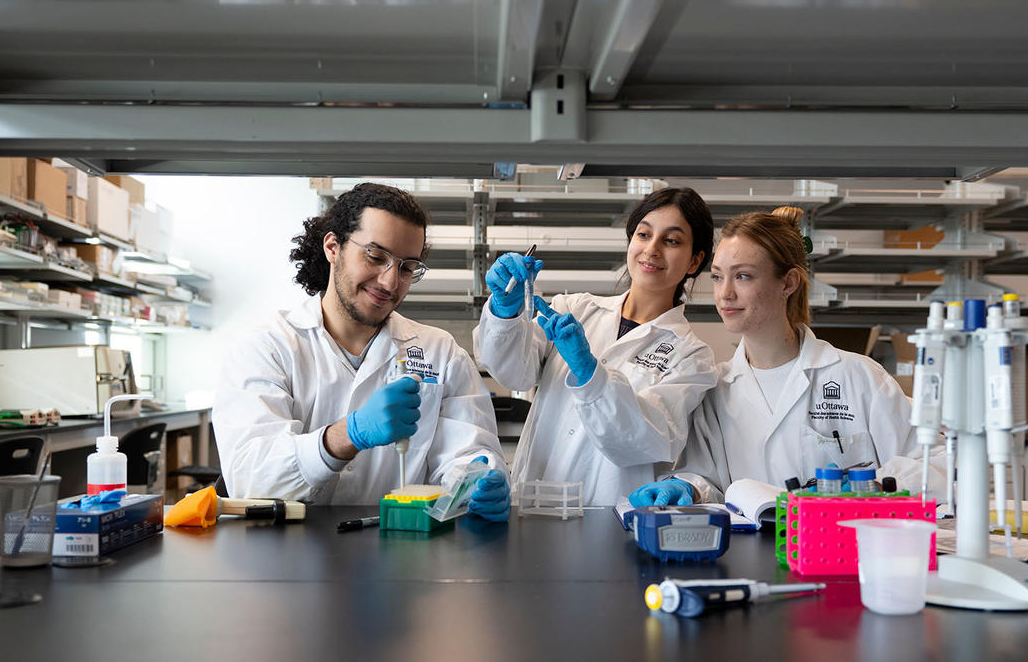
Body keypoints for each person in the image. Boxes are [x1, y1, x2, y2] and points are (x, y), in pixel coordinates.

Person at [214, 183, 509, 519]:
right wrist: (345, 436)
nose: (389, 282)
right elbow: (249, 481)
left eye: (407, 267)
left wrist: (475, 482)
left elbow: (468, 452)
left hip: (401, 556)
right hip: (289, 559)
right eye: (375, 256)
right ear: (333, 247)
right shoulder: (266, 348)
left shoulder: (441, 353)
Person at [629, 206, 938, 506]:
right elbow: (709, 481)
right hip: (748, 555)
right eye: (718, 277)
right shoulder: (715, 389)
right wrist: (687, 486)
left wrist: (868, 487)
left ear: (788, 282)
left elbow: (934, 461)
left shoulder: (856, 376)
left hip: (839, 549)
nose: (725, 294)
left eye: (744, 277)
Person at [473, 187, 719, 505]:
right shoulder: (574, 308)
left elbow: (641, 440)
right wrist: (506, 311)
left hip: (613, 516)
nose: (652, 249)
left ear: (694, 261)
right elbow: (512, 373)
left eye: (671, 240)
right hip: (535, 503)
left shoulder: (692, 356)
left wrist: (588, 371)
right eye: (643, 235)